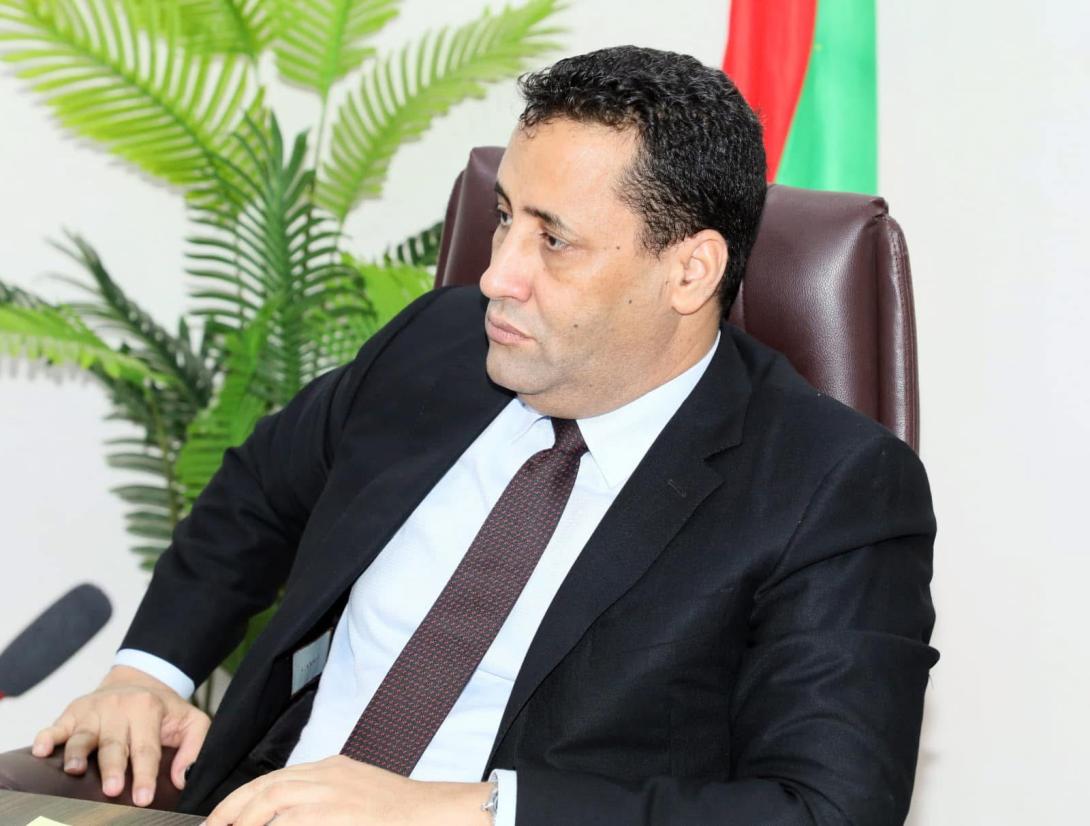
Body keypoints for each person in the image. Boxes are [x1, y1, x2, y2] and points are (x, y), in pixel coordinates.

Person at [30, 46, 938, 825]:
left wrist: (473, 809)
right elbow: (259, 495)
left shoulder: (831, 488)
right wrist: (148, 675)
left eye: (554, 241)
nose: (499, 275)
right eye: (505, 217)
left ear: (691, 271)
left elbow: (824, 808)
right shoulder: (439, 346)